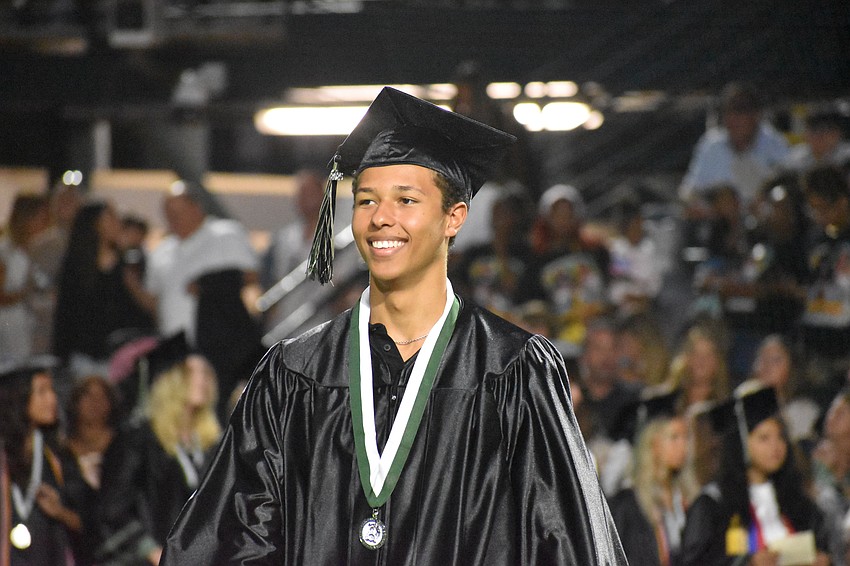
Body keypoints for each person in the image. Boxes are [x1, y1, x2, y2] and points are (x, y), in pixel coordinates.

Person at [161, 87, 627, 564]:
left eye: (406, 200)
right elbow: (227, 540)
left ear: (454, 217)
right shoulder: (295, 374)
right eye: (366, 201)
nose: (381, 218)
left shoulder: (512, 372)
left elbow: (565, 543)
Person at [128, 182, 263, 419]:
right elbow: (154, 303)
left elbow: (251, 276)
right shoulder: (161, 250)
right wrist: (130, 284)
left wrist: (210, 283)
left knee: (218, 413)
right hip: (176, 351)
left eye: (178, 210)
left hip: (221, 348)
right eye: (167, 212)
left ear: (196, 207)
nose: (172, 217)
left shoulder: (225, 233)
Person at [680, 386, 830, 566]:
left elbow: (821, 544)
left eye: (780, 437)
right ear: (740, 444)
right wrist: (746, 563)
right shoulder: (713, 505)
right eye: (764, 438)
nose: (776, 447)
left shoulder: (797, 501)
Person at [97, 350, 221, 565]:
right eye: (191, 372)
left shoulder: (209, 443)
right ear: (170, 380)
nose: (203, 379)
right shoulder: (139, 440)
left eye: (205, 372)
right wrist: (150, 550)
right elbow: (113, 507)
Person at [53, 201, 156, 377]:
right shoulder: (76, 267)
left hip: (122, 355)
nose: (117, 224)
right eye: (111, 217)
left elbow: (144, 308)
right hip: (84, 354)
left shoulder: (131, 263)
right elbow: (65, 314)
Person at [0, 358, 81, 566]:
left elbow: (88, 519)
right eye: (42, 391)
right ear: (18, 397)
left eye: (52, 390)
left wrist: (60, 512)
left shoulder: (58, 456)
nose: (53, 399)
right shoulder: (4, 456)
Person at [608, 391, 700, 566]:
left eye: (686, 437)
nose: (683, 446)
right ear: (652, 443)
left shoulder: (686, 497)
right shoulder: (627, 504)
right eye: (674, 437)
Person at [679, 82, 789, 209]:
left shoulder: (775, 144)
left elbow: (787, 195)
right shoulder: (711, 144)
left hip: (762, 223)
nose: (733, 118)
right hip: (719, 222)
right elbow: (688, 192)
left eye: (740, 110)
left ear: (756, 114)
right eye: (728, 111)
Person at [58, 374, 120, 566]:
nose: (95, 404)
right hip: (75, 548)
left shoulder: (125, 447)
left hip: (119, 546)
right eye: (88, 397)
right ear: (75, 402)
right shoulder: (60, 452)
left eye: (102, 397)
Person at [0, 193, 50, 366]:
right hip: (10, 323)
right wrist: (26, 292)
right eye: (40, 218)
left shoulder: (41, 250)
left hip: (34, 324)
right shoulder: (5, 250)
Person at [784, 104, 850, 172]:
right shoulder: (797, 155)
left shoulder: (847, 156)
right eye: (811, 131)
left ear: (836, 134)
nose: (816, 137)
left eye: (822, 132)